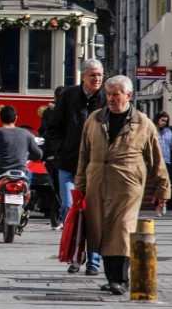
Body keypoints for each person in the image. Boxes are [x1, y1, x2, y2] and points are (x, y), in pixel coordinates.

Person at [75, 75, 170, 296]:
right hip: (97, 181)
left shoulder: (143, 123)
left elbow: (156, 158)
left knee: (121, 229)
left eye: (115, 94)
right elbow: (83, 154)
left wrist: (162, 188)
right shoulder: (95, 119)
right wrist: (80, 185)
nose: (110, 98)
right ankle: (111, 278)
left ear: (128, 96)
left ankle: (121, 279)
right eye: (108, 94)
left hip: (128, 183)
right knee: (101, 230)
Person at [46, 59, 106, 275]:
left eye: (99, 75)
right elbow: (54, 128)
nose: (97, 79)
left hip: (96, 167)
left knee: (95, 214)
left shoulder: (107, 98)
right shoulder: (69, 96)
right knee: (70, 208)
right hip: (69, 165)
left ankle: (93, 261)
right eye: (92, 75)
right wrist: (60, 149)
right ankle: (74, 257)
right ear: (83, 76)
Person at [0, 105, 43, 186]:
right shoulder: (26, 134)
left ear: (0, 118)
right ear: (16, 118)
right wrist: (27, 156)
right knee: (29, 174)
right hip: (20, 173)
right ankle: (25, 194)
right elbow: (38, 155)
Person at [40, 85, 66, 228]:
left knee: (56, 188)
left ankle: (56, 219)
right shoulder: (68, 111)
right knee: (62, 188)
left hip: (51, 155)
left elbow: (43, 131)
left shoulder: (48, 112)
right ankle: (58, 218)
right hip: (63, 155)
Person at [153, 111, 172, 214]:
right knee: (157, 184)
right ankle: (157, 206)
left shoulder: (168, 131)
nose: (164, 123)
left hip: (167, 161)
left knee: (167, 183)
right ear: (157, 119)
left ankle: (165, 204)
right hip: (155, 161)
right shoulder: (152, 129)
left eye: (166, 121)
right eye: (162, 120)